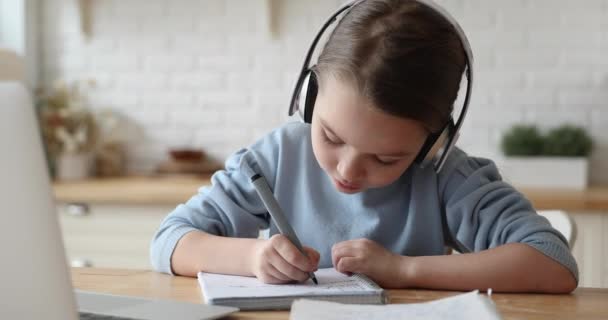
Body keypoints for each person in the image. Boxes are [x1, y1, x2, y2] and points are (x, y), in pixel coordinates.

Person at [150, 0, 578, 293]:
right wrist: (254, 256)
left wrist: (404, 269)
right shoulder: (278, 156)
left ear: (434, 144)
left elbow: (553, 263)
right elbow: (169, 241)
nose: (349, 171)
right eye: (331, 137)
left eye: (387, 158)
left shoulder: (445, 176)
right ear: (310, 98)